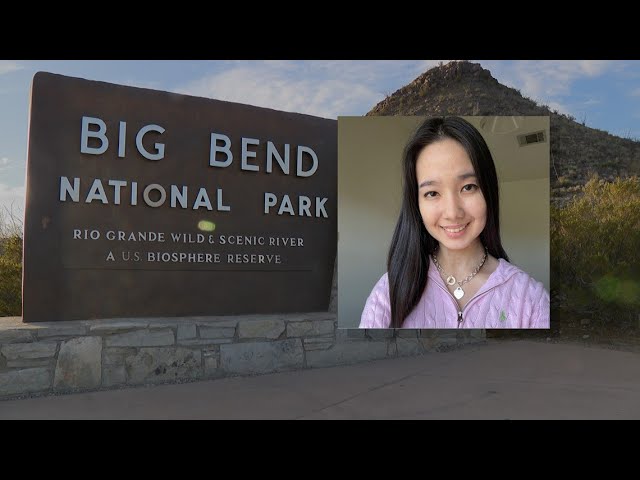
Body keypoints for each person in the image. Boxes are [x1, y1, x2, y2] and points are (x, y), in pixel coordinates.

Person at [359, 116, 550, 329]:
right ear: (416, 203)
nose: (452, 212)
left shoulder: (531, 300)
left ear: (488, 191)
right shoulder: (387, 293)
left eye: (468, 187)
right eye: (432, 193)